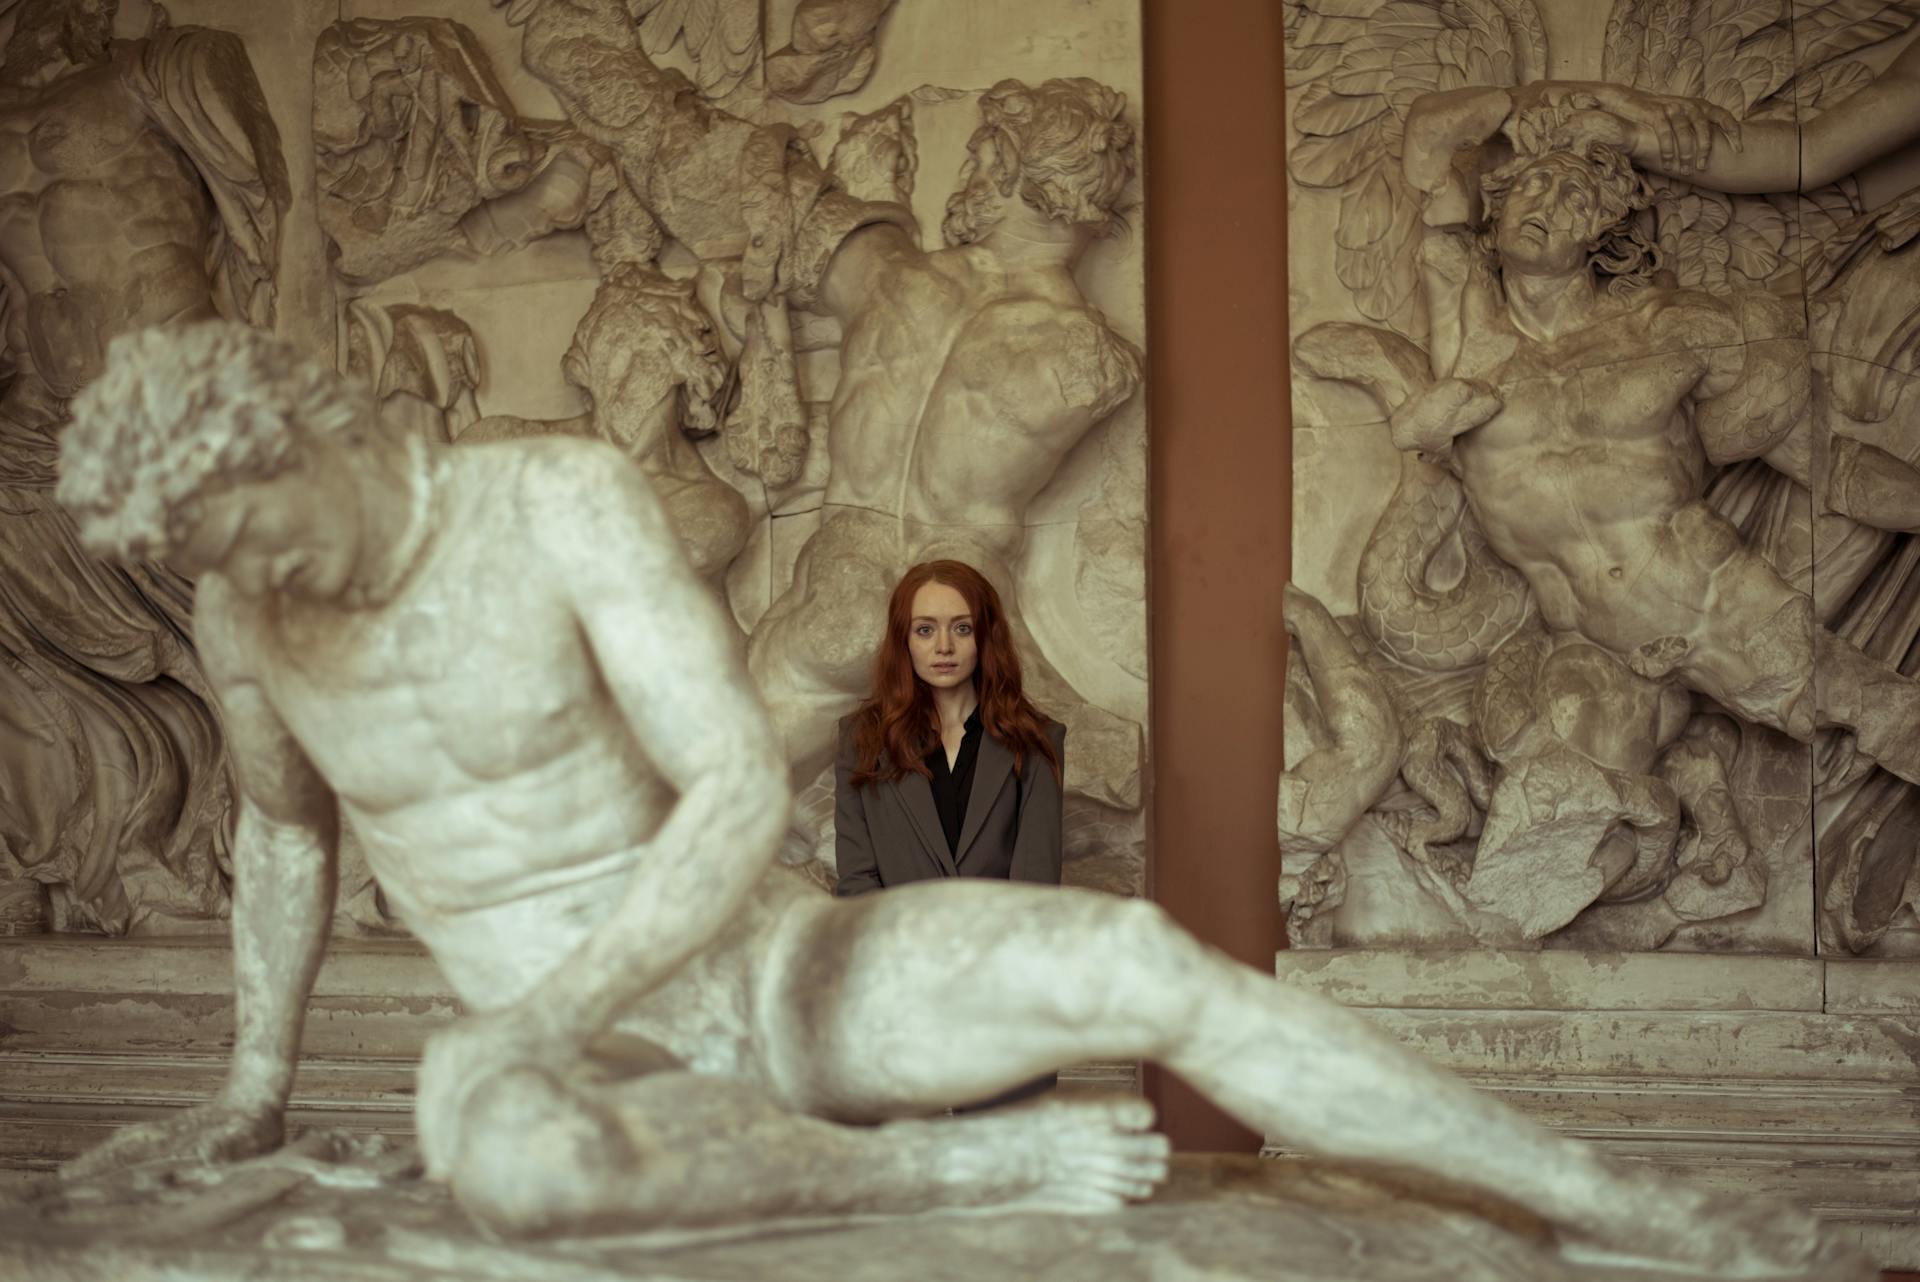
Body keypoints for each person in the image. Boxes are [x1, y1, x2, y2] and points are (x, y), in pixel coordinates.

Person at [56, 322, 1818, 1274]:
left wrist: (558, 1003)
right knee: (489, 1134)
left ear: (296, 441)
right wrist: (253, 1088)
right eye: (219, 564)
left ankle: (1614, 1203)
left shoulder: (551, 503)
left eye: (245, 530)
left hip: (766, 969)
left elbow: (741, 778)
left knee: (1140, 962)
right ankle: (963, 1175)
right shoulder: (245, 612)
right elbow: (284, 827)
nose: (253, 578)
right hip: (580, 1069)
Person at [833, 561, 1065, 897]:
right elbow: (857, 881)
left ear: (986, 637)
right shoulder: (861, 738)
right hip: (895, 944)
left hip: (998, 946)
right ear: (904, 639)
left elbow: (1035, 891)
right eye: (925, 630)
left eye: (962, 629)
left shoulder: (1036, 740)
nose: (944, 647)